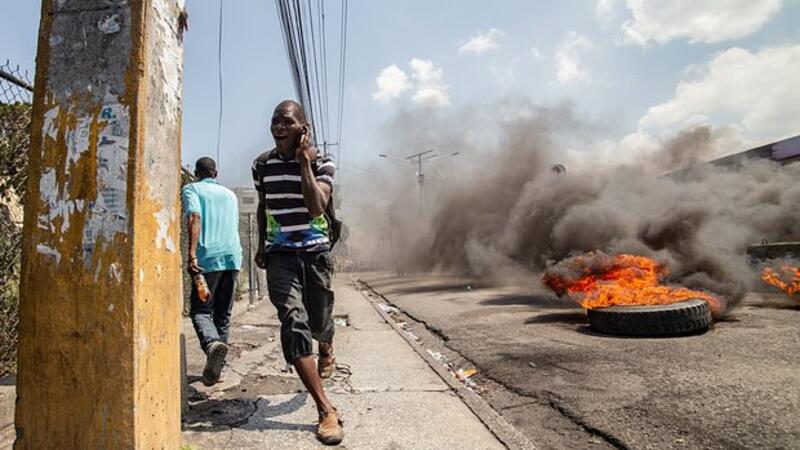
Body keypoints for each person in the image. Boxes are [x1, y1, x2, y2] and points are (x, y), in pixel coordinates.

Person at [251, 100, 343, 445]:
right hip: (280, 255)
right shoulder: (262, 165)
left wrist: (304, 160)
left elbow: (317, 204)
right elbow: (264, 206)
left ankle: (327, 343)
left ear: (303, 128)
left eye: (287, 122)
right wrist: (262, 244)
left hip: (315, 253)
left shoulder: (323, 163)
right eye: (275, 121)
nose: (278, 127)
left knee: (319, 323)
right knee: (293, 320)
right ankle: (325, 409)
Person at [181, 157, 243, 386]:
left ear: (197, 173)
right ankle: (217, 368)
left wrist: (191, 253)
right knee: (223, 315)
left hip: (207, 258)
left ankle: (211, 345)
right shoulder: (230, 195)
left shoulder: (191, 189)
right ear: (215, 173)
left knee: (200, 310)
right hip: (232, 258)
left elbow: (194, 216)